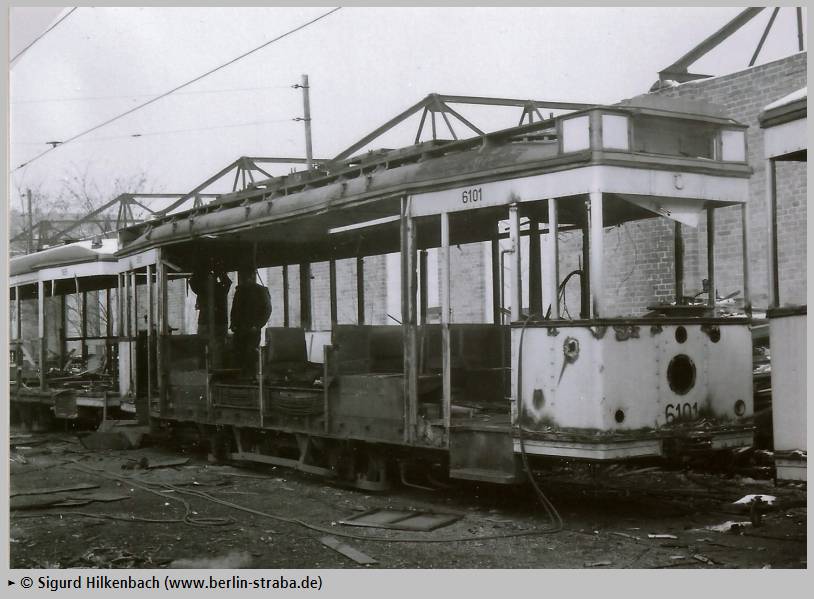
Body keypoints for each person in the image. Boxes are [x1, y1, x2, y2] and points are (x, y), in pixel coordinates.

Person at [229, 269, 272, 376]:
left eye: (248, 276)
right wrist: (233, 324)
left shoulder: (261, 291)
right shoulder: (240, 291)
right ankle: (240, 377)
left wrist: (257, 325)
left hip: (252, 329)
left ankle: (250, 377)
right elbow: (234, 309)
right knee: (238, 353)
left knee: (250, 354)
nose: (246, 279)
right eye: (244, 277)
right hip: (240, 329)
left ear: (253, 276)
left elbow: (267, 309)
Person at [189, 262, 232, 338]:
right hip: (218, 321)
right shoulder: (219, 289)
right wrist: (219, 273)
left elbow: (192, 281)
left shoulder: (203, 290)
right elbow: (228, 283)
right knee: (217, 341)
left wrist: (203, 273)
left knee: (204, 341)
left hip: (208, 321)